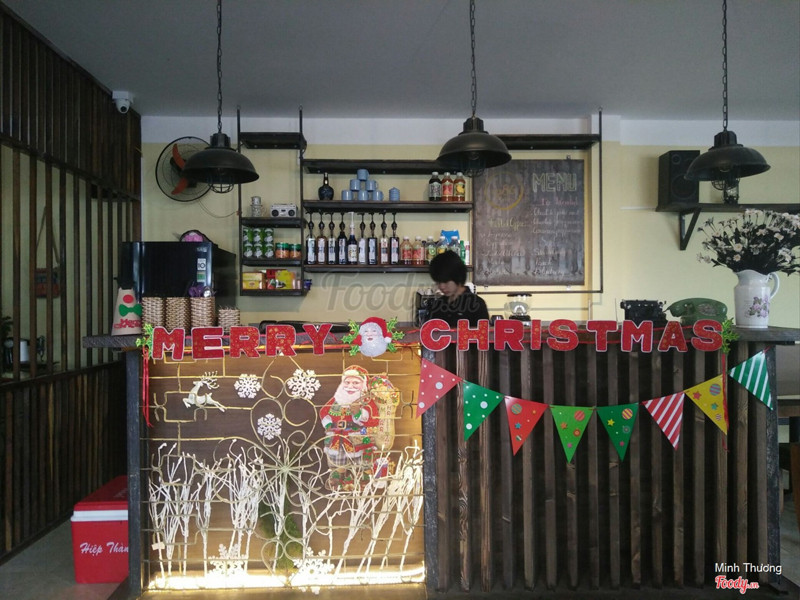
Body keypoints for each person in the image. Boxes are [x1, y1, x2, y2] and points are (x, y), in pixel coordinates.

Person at [428, 250, 489, 326]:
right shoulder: (437, 305)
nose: (441, 286)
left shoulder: (477, 304)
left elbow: (483, 332)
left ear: (458, 277)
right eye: (438, 282)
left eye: (446, 281)